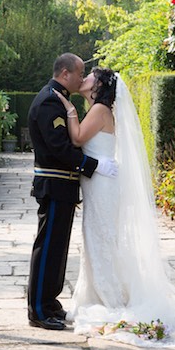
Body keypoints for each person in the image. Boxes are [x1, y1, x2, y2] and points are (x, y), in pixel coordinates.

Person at [54, 67, 175, 347]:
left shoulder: (99, 110)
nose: (85, 78)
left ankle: (110, 299)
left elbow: (77, 138)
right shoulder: (99, 109)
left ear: (99, 86)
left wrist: (69, 109)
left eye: (90, 76)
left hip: (102, 185)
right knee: (98, 238)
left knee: (100, 238)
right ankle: (102, 293)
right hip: (99, 183)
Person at [27, 53, 118, 331]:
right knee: (47, 248)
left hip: (64, 185)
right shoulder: (50, 101)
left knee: (58, 249)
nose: (82, 79)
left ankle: (50, 303)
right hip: (55, 184)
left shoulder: (59, 99)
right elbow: (60, 148)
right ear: (65, 73)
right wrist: (93, 165)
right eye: (80, 73)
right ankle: (39, 310)